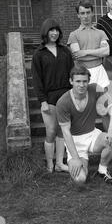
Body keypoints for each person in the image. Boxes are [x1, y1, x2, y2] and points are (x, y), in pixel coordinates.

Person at [56, 65, 112, 185]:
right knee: (80, 179)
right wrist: (75, 158)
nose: (81, 85)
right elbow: (66, 133)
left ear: (88, 81)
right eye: (78, 81)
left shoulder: (94, 88)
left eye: (84, 81)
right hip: (75, 142)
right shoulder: (63, 102)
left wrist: (111, 131)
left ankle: (102, 169)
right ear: (71, 81)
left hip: (92, 135)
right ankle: (76, 165)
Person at [31, 18, 74, 173]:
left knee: (63, 130)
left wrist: (73, 93)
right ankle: (50, 163)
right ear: (46, 32)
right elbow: (36, 79)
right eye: (51, 30)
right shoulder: (39, 54)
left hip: (65, 95)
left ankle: (60, 163)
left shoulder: (65, 51)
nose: (54, 33)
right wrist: (42, 100)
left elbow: (72, 73)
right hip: (48, 98)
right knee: (51, 130)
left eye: (56, 30)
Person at [67, 0, 110, 88]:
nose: (86, 16)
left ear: (92, 13)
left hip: (100, 72)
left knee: (102, 101)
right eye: (82, 13)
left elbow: (106, 52)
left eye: (88, 12)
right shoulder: (73, 35)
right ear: (78, 15)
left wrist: (86, 52)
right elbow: (78, 55)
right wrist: (98, 53)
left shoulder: (100, 32)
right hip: (82, 73)